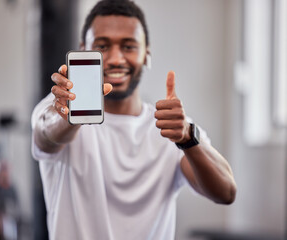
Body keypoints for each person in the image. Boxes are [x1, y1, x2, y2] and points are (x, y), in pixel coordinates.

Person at [31, 0, 237, 239]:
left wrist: (189, 138)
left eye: (128, 46)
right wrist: (68, 119)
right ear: (83, 49)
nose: (116, 59)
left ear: (146, 53)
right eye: (102, 46)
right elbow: (46, 133)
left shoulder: (173, 128)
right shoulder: (57, 108)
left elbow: (226, 192)